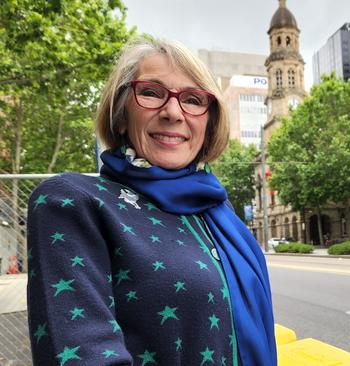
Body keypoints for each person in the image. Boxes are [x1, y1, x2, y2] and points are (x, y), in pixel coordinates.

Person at [26, 37, 276, 365]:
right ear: (120, 114)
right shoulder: (73, 202)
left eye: (192, 99)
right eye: (151, 92)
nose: (173, 111)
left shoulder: (217, 212)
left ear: (208, 121)